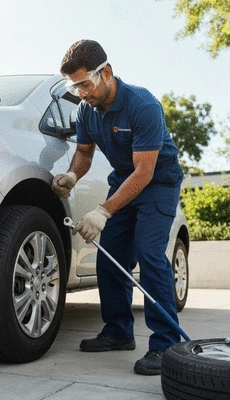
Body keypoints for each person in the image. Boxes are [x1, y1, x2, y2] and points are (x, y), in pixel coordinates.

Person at [52, 39, 184, 376]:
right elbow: (84, 152)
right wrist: (71, 175)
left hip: (158, 184)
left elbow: (145, 172)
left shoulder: (142, 105)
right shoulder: (86, 110)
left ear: (105, 73)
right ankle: (118, 331)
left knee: (150, 254)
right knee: (111, 258)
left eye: (85, 84)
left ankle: (166, 343)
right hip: (124, 180)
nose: (81, 93)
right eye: (74, 86)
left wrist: (102, 211)